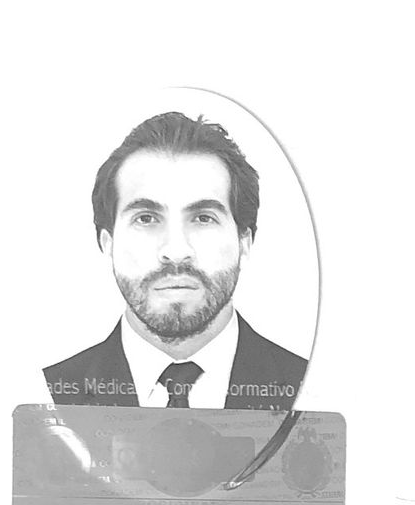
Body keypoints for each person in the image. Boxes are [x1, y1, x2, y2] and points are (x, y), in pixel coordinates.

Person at [44, 110, 308, 411]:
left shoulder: (314, 389)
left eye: (203, 218)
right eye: (146, 218)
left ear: (244, 241)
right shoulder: (44, 396)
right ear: (108, 243)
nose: (176, 250)